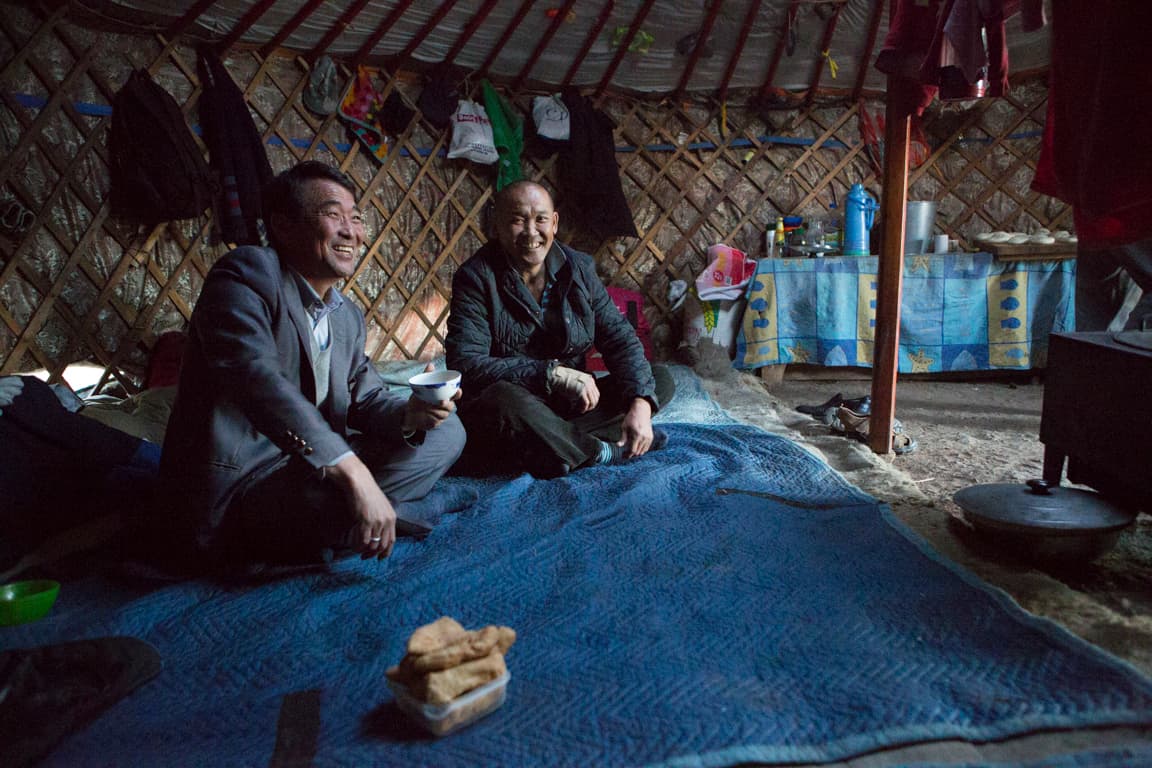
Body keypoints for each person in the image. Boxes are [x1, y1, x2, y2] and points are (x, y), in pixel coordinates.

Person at [161, 161, 465, 568]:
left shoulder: (346, 316)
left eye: (355, 218)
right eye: (332, 214)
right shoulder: (246, 275)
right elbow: (256, 377)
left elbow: (368, 397)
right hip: (246, 484)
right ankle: (399, 510)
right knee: (327, 498)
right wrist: (353, 472)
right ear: (283, 226)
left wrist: (412, 414)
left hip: (313, 470)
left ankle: (361, 518)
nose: (351, 232)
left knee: (448, 432)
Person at [446, 180, 674, 479]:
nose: (531, 232)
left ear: (554, 223)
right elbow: (466, 364)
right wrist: (551, 374)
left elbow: (619, 338)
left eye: (540, 219)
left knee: (658, 380)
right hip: (516, 407)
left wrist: (641, 404)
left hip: (571, 408)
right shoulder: (476, 278)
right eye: (517, 220)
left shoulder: (578, 268)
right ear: (496, 226)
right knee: (502, 398)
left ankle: (550, 448)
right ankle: (599, 451)